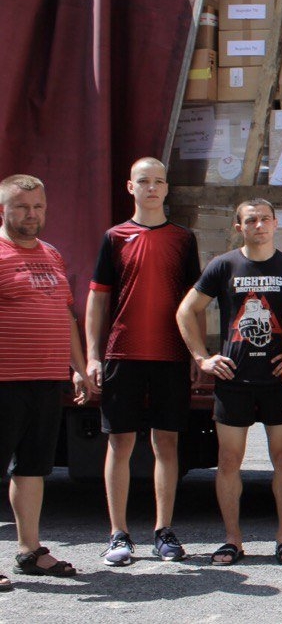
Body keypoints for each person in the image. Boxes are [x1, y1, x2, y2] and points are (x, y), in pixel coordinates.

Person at [176, 199, 282, 566]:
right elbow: (186, 310)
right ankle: (232, 540)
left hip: (278, 381)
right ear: (239, 227)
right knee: (229, 460)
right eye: (251, 220)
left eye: (265, 219)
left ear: (276, 223)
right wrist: (201, 357)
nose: (259, 225)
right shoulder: (223, 265)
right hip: (233, 379)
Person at [86, 157, 200, 566]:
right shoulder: (114, 237)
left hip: (170, 355)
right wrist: (93, 355)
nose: (152, 188)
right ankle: (118, 535)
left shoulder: (183, 239)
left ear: (167, 188)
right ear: (130, 187)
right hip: (123, 354)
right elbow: (97, 299)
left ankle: (163, 531)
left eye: (159, 181)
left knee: (166, 443)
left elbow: (194, 302)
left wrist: (196, 351)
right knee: (120, 443)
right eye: (144, 181)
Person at [0, 175, 90, 589]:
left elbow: (65, 314)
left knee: (33, 469)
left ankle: (30, 551)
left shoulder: (51, 254)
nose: (31, 214)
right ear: (4, 209)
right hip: (5, 379)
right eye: (22, 207)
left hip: (46, 379)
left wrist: (78, 366)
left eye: (38, 206)